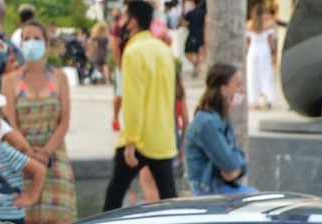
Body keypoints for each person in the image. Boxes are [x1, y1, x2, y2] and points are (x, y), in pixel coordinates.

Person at [3, 18, 77, 224]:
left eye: (37, 38)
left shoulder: (59, 77)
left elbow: (64, 121)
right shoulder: (11, 80)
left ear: (45, 43)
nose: (32, 43)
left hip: (54, 155)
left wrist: (46, 152)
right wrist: (29, 153)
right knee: (26, 223)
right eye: (27, 38)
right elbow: (11, 123)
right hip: (22, 155)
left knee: (60, 221)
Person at [106, 0, 182, 207]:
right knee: (169, 198)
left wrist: (131, 140)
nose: (121, 21)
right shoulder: (164, 50)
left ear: (132, 21)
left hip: (139, 140)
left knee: (114, 196)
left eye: (124, 16)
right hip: (163, 139)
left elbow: (133, 100)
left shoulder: (133, 51)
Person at [185, 61, 253, 191]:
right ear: (224, 89)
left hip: (221, 188)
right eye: (238, 85)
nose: (243, 90)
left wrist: (238, 169)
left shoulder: (220, 118)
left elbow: (238, 157)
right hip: (210, 191)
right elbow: (228, 163)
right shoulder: (207, 123)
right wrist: (238, 166)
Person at [247, 5, 282, 107]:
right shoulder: (269, 24)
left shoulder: (249, 24)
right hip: (264, 49)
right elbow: (271, 41)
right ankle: (268, 98)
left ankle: (253, 100)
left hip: (253, 50)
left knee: (253, 75)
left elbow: (247, 41)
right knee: (266, 75)